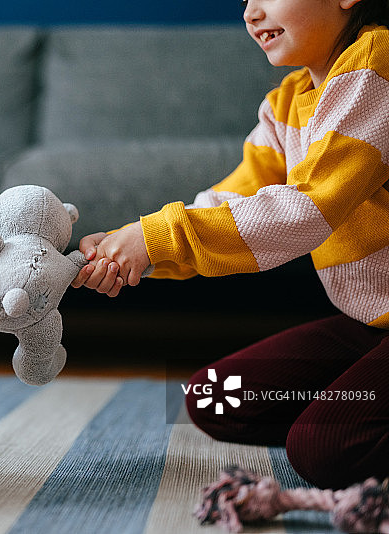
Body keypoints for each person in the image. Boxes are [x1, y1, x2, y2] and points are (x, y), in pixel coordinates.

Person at [71, 0, 389, 490]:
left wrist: (156, 238)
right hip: (373, 324)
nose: (250, 12)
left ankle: (351, 416)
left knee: (321, 451)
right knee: (215, 397)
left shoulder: (377, 64)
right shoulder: (287, 102)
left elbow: (308, 209)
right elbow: (229, 198)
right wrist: (137, 245)